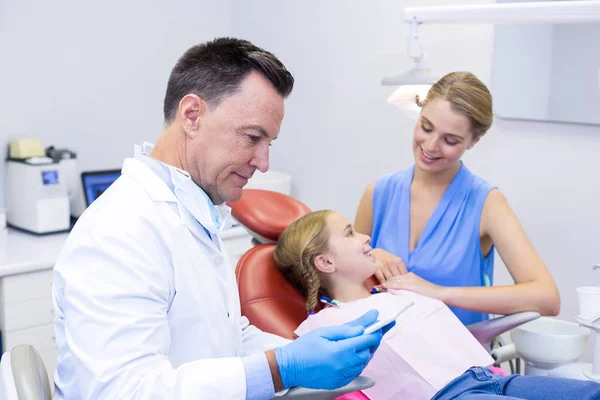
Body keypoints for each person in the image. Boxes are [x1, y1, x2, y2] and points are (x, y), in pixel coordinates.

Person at [52, 38, 391, 400]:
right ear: (193, 115)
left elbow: (227, 335)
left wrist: (301, 347)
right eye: (252, 137)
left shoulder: (194, 214)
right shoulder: (119, 231)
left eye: (269, 143)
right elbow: (124, 391)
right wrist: (282, 368)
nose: (263, 162)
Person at [274, 210, 600, 400]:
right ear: (326, 262)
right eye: (349, 234)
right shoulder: (325, 326)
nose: (365, 238)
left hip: (489, 377)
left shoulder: (396, 291)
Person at [354, 71, 560, 326]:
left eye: (450, 140)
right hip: (383, 355)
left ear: (474, 141)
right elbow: (339, 279)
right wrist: (370, 256)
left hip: (459, 362)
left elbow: (547, 298)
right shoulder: (379, 192)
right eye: (425, 127)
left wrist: (441, 294)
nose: (430, 145)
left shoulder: (486, 203)